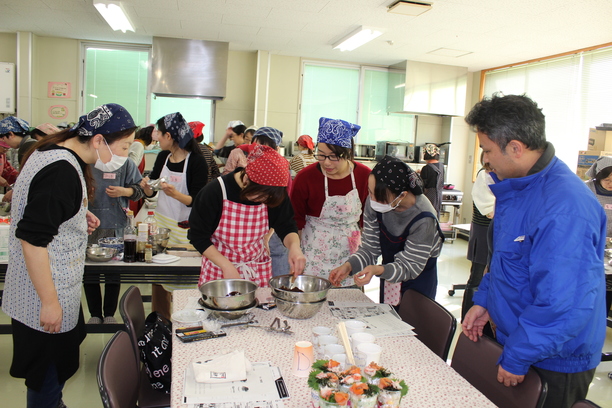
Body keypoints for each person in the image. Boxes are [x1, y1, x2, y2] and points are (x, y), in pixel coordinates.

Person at [462, 94, 606, 408]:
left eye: (487, 150)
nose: (485, 160)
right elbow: (504, 260)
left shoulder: (564, 207)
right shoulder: (517, 186)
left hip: (553, 356)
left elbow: (563, 303)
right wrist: (485, 302)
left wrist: (518, 355)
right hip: (522, 339)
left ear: (515, 147)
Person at [1, 103, 135, 408]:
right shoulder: (61, 170)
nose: (125, 154)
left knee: (49, 377)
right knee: (46, 382)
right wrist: (49, 302)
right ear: (99, 140)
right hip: (44, 295)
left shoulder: (51, 151)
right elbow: (33, 240)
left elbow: (44, 203)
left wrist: (76, 212)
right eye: (124, 146)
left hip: (41, 288)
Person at [329, 156, 444, 306]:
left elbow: (410, 266)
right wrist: (349, 266)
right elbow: (370, 248)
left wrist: (378, 270)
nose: (372, 200)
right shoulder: (376, 201)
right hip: (389, 273)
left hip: (417, 279)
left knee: (413, 324)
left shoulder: (424, 218)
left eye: (379, 197)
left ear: (402, 195)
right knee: (390, 317)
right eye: (370, 192)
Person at [189, 144, 305, 287]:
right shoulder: (215, 192)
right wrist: (226, 266)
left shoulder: (273, 192)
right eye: (260, 195)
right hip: (220, 269)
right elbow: (198, 237)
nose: (264, 201)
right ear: (247, 178)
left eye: (268, 198)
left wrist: (294, 247)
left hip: (256, 269)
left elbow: (286, 225)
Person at [141, 112, 209, 319]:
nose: (157, 138)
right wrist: (146, 187)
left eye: (159, 134)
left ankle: (187, 319)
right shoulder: (163, 157)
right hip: (162, 226)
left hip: (185, 228)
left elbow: (198, 200)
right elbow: (152, 189)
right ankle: (159, 322)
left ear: (169, 136)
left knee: (184, 278)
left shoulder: (196, 161)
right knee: (159, 277)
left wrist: (175, 194)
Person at [291, 117, 371, 286]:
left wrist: (366, 257)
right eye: (321, 155)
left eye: (333, 157)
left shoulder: (364, 176)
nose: (326, 162)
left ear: (348, 153)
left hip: (350, 255)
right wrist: (295, 252)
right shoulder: (305, 178)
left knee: (348, 304)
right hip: (313, 255)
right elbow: (295, 221)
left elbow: (368, 220)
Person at [84, 134, 144, 325]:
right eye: (123, 146)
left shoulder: (126, 164)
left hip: (116, 223)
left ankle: (109, 312)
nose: (125, 150)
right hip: (90, 225)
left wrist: (124, 191)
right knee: (90, 272)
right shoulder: (88, 160)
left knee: (113, 272)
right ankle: (94, 313)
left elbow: (140, 189)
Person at [461, 154, 495, 321]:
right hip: (483, 231)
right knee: (476, 278)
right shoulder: (484, 175)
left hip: (495, 232)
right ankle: (467, 317)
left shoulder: (500, 175)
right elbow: (488, 208)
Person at [584, 156, 612, 318]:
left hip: (609, 250)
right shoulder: (586, 190)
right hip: (590, 245)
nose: (610, 183)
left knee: (607, 289)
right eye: (607, 178)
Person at [420, 143, 445, 217]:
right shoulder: (441, 166)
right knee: (435, 215)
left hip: (428, 196)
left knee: (427, 214)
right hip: (438, 196)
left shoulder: (426, 168)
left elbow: (422, 184)